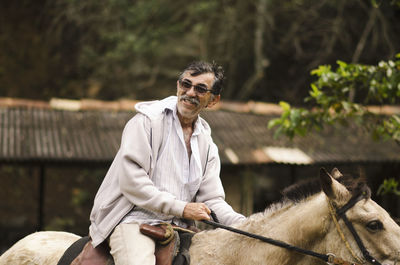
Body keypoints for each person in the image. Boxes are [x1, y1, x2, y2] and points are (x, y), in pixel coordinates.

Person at [88, 61, 246, 265]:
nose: (190, 92)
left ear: (213, 100)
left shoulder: (207, 144)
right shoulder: (146, 121)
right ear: (178, 85)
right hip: (132, 220)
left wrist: (245, 224)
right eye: (185, 84)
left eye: (200, 89)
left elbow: (212, 200)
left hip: (178, 226)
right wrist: (183, 208)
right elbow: (132, 183)